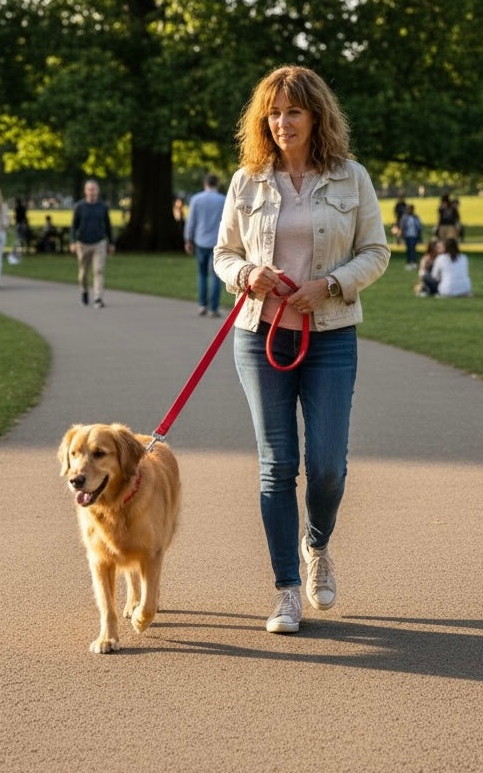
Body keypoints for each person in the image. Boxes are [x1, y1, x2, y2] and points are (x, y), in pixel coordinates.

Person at [213, 65, 390, 635]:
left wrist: (332, 285)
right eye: (273, 112)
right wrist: (246, 275)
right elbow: (223, 254)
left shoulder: (350, 177)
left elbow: (376, 251)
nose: (282, 122)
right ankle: (286, 590)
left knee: (327, 467)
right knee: (277, 467)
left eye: (293, 111)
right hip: (259, 334)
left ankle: (318, 544)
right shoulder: (247, 181)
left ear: (316, 116)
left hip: (330, 334)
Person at [183, 173, 227, 317]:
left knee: (202, 274)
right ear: (217, 184)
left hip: (200, 240)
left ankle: (202, 305)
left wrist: (188, 239)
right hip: (217, 241)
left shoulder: (196, 199)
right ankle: (213, 308)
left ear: (205, 184)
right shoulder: (223, 200)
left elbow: (191, 221)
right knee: (215, 276)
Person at [70, 179, 115, 307]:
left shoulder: (102, 207)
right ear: (85, 191)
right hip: (83, 243)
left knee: (98, 270)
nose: (92, 192)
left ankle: (98, 298)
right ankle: (84, 292)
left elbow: (108, 225)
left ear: (97, 191)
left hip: (99, 243)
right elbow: (74, 226)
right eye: (89, 189)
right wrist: (73, 241)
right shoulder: (79, 207)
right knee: (83, 273)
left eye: (94, 189)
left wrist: (111, 242)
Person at [399, 203, 423, 269]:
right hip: (407, 235)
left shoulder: (415, 217)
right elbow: (402, 226)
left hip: (414, 235)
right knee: (408, 250)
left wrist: (419, 235)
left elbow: (419, 226)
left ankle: (413, 262)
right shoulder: (405, 217)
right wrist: (401, 235)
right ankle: (409, 262)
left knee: (412, 249)